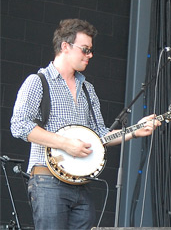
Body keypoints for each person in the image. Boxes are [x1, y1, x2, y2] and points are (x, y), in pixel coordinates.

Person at [10, 18, 161, 230]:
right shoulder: (38, 82)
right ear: (65, 46)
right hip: (47, 181)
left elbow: (100, 135)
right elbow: (19, 125)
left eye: (90, 50)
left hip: (81, 185)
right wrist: (65, 143)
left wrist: (135, 130)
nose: (90, 55)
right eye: (85, 50)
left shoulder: (88, 89)